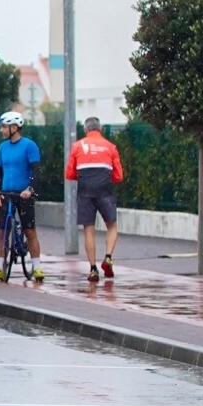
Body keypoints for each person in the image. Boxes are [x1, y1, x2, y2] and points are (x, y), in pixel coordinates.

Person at [66, 116, 124, 282]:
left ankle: (92, 269)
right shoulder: (110, 146)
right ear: (101, 130)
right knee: (112, 226)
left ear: (85, 130)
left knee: (88, 230)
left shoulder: (78, 146)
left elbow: (69, 173)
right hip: (105, 190)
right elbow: (118, 176)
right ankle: (108, 256)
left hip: (85, 191)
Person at [0, 111, 44, 281]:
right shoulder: (2, 147)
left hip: (24, 194)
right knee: (2, 231)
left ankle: (36, 267)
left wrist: (30, 189)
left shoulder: (29, 145)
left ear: (14, 128)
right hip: (7, 194)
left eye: (4, 127)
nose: (1, 130)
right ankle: (0, 267)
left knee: (29, 230)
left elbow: (36, 171)